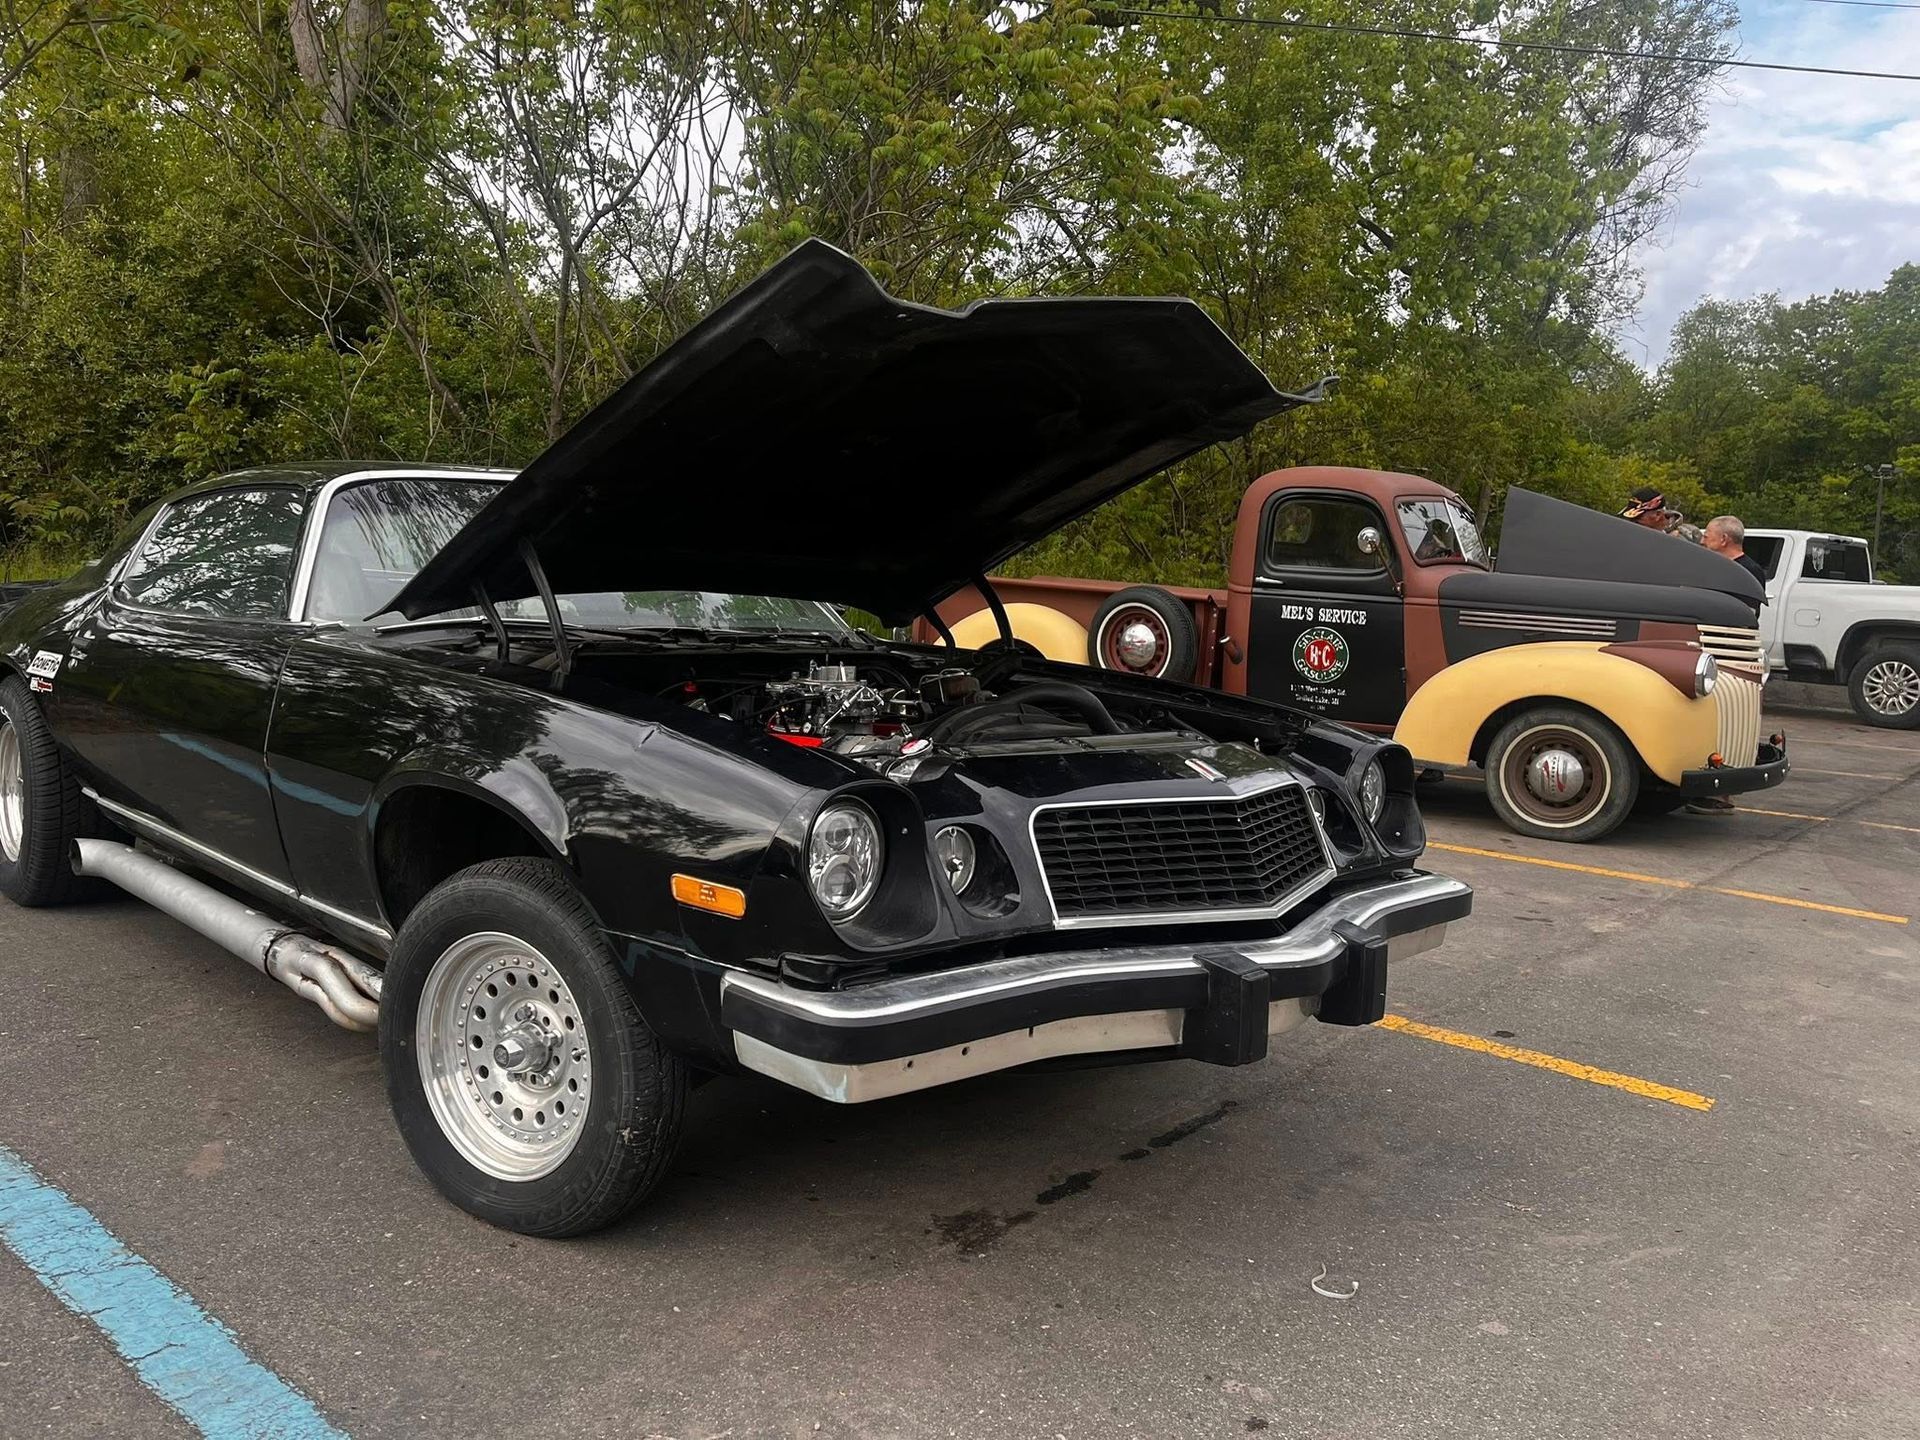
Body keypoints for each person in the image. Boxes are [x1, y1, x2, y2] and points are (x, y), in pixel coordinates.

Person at [1704, 515, 1769, 592]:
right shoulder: (1713, 566)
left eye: (1706, 537)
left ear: (1723, 539)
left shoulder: (1749, 572)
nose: (1702, 541)